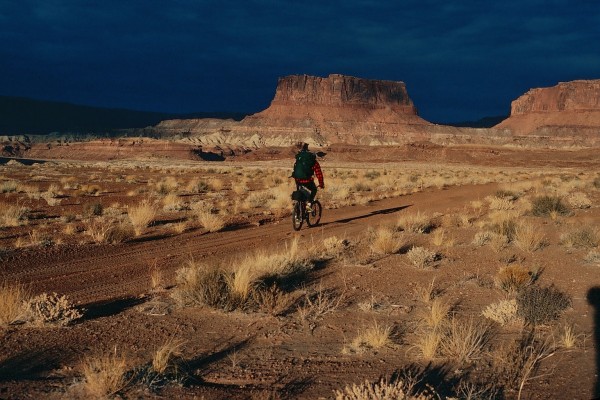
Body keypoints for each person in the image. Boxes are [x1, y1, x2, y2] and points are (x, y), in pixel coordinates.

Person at [292, 143, 324, 210]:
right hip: (307, 180)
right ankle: (309, 205)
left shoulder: (299, 159)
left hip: (297, 180)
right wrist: (321, 183)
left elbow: (295, 169)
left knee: (301, 192)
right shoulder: (313, 161)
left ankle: (298, 212)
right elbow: (319, 174)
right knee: (314, 189)